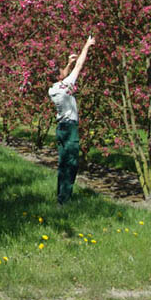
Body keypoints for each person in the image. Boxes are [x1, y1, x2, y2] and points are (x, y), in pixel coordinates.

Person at [48, 35, 95, 206]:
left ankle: (60, 195)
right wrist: (87, 45)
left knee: (62, 162)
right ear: (60, 76)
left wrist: (67, 64)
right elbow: (80, 65)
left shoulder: (53, 89)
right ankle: (65, 199)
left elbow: (64, 74)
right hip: (69, 128)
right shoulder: (66, 85)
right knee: (72, 163)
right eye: (61, 70)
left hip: (61, 127)